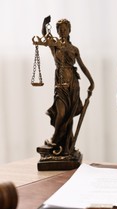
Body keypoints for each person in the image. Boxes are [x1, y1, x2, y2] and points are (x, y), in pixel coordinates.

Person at [41, 18, 94, 155]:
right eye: (60, 29)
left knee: (69, 116)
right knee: (61, 113)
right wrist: (45, 24)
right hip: (60, 83)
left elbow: (82, 66)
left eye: (65, 28)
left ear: (69, 30)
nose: (63, 31)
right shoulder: (55, 45)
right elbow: (44, 35)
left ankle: (66, 146)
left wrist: (91, 81)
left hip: (73, 84)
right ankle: (55, 139)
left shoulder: (74, 49)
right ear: (57, 31)